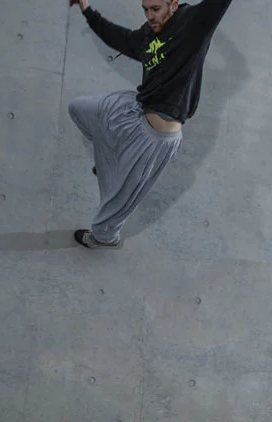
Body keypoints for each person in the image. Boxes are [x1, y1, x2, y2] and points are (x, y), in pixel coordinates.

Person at [67, 0, 233, 249]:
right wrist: (87, 10)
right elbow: (120, 38)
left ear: (173, 4)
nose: (150, 16)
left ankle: (104, 237)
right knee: (79, 109)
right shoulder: (148, 34)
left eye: (156, 9)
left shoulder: (195, 25)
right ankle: (111, 160)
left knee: (120, 201)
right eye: (145, 9)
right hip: (136, 109)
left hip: (156, 139)